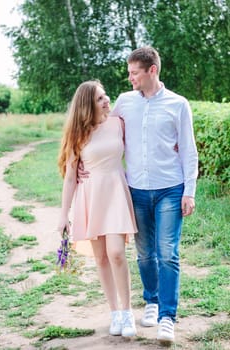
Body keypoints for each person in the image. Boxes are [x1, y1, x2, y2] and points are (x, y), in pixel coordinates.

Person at [79, 47, 198, 344]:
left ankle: (167, 317)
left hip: (171, 188)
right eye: (130, 73)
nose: (130, 79)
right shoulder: (124, 103)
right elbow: (97, 127)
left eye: (134, 73)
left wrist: (190, 191)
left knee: (168, 252)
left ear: (151, 71)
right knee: (145, 254)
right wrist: (82, 162)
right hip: (136, 191)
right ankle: (152, 301)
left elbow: (188, 149)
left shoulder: (178, 104)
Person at [57, 80, 138, 338]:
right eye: (100, 99)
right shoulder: (77, 135)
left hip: (115, 191)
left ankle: (128, 312)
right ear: (87, 106)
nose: (106, 101)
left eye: (105, 96)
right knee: (101, 257)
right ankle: (114, 312)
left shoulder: (118, 123)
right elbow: (70, 177)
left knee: (116, 253)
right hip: (90, 196)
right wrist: (63, 215)